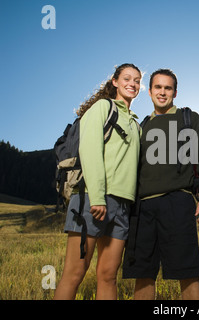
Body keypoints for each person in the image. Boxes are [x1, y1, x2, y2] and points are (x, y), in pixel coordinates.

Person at [122, 68, 199, 300]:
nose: (162, 92)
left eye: (167, 88)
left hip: (177, 202)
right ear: (149, 91)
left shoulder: (189, 119)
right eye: (158, 87)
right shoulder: (141, 125)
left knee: (188, 272)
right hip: (142, 208)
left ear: (175, 92)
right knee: (143, 275)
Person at [54, 63, 142, 300]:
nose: (132, 83)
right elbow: (90, 152)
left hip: (123, 205)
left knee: (108, 276)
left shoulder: (135, 124)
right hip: (91, 199)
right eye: (126, 78)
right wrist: (99, 197)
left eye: (136, 80)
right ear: (115, 82)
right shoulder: (103, 107)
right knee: (74, 273)